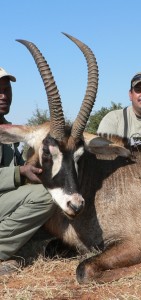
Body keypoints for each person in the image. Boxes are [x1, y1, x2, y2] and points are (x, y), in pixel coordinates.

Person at [0, 67, 55, 275]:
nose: (4, 95)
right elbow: (18, 171)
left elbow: (22, 167)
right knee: (46, 197)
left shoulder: (8, 129)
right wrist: (20, 172)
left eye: (7, 89)